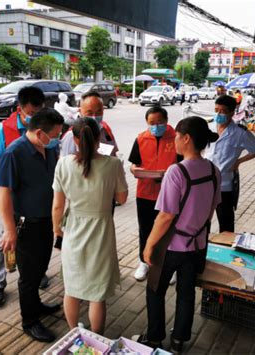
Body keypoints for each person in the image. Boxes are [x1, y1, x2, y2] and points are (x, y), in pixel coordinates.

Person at [133, 116, 221, 352]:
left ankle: (154, 338)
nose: (175, 141)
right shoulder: (213, 170)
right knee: (186, 292)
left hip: (171, 247)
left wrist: (149, 245)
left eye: (177, 137)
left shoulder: (177, 171)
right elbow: (212, 208)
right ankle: (180, 338)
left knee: (155, 290)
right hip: (197, 246)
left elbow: (165, 216)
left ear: (187, 139)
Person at [52, 117, 128, 334]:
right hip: (101, 230)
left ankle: (75, 331)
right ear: (98, 138)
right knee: (97, 294)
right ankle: (96, 337)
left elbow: (58, 206)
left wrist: (57, 230)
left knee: (72, 287)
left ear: (74, 139)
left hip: (73, 229)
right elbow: (122, 199)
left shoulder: (63, 164)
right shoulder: (112, 164)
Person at [0, 108, 64, 342]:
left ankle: (36, 305)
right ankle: (30, 321)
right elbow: (3, 194)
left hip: (47, 221)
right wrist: (9, 230)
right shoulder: (13, 153)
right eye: (54, 134)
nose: (57, 139)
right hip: (26, 224)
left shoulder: (50, 148)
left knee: (40, 269)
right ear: (38, 132)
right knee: (28, 275)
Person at [0, 86, 49, 307]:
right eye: (32, 113)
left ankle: (35, 274)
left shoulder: (44, 129)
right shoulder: (5, 130)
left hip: (33, 201)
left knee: (33, 245)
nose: (35, 117)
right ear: (20, 109)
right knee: (5, 239)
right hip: (12, 198)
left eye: (39, 111)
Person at [129, 106, 179, 282]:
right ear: (147, 123)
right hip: (145, 192)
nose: (156, 126)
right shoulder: (141, 138)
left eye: (160, 123)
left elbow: (183, 164)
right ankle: (144, 262)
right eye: (152, 123)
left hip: (170, 194)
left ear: (166, 121)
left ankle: (168, 266)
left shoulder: (176, 138)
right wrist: (134, 169)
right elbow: (134, 164)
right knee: (145, 229)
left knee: (168, 231)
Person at [206, 95, 255, 232]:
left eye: (222, 111)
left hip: (224, 185)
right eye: (216, 110)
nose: (218, 114)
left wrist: (239, 161)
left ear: (232, 112)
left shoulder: (240, 133)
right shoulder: (209, 127)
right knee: (201, 222)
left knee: (226, 224)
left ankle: (225, 248)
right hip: (205, 182)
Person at [60, 91, 118, 157]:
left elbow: (113, 153)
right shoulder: (71, 136)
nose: (94, 116)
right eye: (89, 113)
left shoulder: (105, 128)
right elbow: (66, 164)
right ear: (80, 112)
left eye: (99, 112)